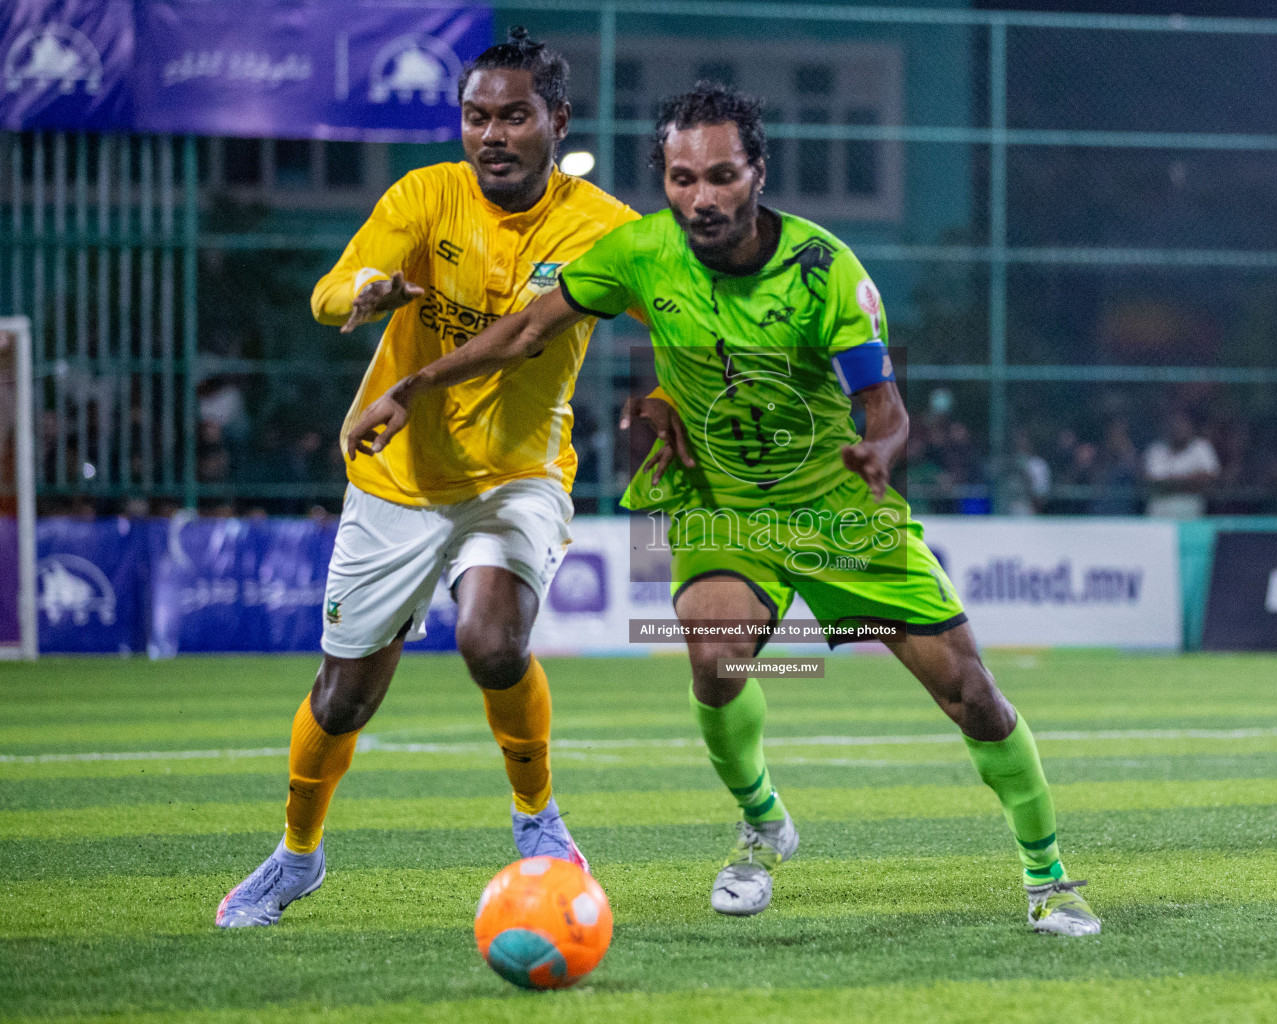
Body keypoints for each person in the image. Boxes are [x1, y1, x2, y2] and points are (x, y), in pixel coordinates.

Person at [344, 82, 1100, 937]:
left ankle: (1050, 877)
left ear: (758, 174)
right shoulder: (637, 252)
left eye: (721, 176)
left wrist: (878, 454)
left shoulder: (828, 271)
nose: (701, 197)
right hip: (721, 505)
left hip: (837, 509)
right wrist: (411, 384)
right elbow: (525, 331)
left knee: (971, 696)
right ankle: (762, 822)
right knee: (715, 658)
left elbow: (885, 408)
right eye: (681, 178)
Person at [215, 29, 637, 929]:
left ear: (555, 122)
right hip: (396, 478)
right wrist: (364, 290)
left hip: (518, 478)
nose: (490, 134)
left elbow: (680, 304)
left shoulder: (604, 227)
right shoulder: (426, 195)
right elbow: (330, 291)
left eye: (513, 116)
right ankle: (297, 856)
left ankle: (539, 821)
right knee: (344, 696)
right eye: (476, 116)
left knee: (492, 640)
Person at [1142, 409, 1219, 518]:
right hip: (1159, 510)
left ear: (1190, 426)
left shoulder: (1201, 447)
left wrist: (1170, 481)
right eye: (1173, 424)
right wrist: (1189, 480)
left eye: (1182, 424)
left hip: (1191, 509)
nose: (1177, 428)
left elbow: (1208, 479)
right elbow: (1152, 481)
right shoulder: (1156, 449)